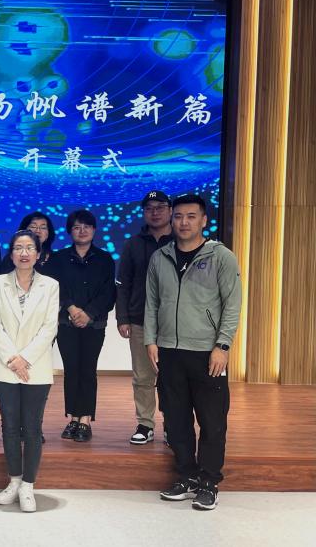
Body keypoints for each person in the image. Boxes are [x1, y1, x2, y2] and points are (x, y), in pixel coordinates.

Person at [146, 194, 241, 511]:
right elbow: (152, 303)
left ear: (203, 220)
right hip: (169, 352)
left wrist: (222, 345)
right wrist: (151, 340)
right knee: (176, 420)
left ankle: (209, 481)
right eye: (178, 216)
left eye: (191, 216)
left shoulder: (221, 257)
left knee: (212, 421)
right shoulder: (160, 257)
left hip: (207, 353)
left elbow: (232, 305)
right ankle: (186, 476)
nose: (183, 222)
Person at [0, 230, 59, 513]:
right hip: (6, 367)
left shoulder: (50, 285)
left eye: (30, 248)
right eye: (18, 247)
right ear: (11, 253)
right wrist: (13, 360)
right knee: (9, 425)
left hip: (35, 367)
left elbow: (49, 328)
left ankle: (28, 485)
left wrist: (24, 359)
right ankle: (14, 481)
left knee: (32, 427)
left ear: (39, 254)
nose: (24, 253)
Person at [53, 210, 116, 442]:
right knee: (71, 370)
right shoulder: (59, 258)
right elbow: (56, 288)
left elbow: (108, 292)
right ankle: (73, 417)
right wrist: (71, 309)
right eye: (77, 227)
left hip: (94, 324)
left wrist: (88, 314)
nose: (82, 231)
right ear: (70, 231)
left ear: (94, 230)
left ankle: (85, 420)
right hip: (66, 323)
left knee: (88, 370)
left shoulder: (105, 259)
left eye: (87, 227)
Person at [117, 191, 173, 445]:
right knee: (143, 376)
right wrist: (122, 318)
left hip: (174, 322)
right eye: (149, 208)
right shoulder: (133, 244)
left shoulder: (180, 240)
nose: (155, 212)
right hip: (140, 319)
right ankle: (145, 424)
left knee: (172, 377)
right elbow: (123, 283)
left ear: (170, 210)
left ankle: (173, 425)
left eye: (160, 207)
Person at [2, 212, 58, 276]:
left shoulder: (56, 259)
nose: (38, 231)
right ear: (24, 230)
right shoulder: (12, 258)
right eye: (33, 226)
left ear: (48, 233)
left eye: (43, 227)